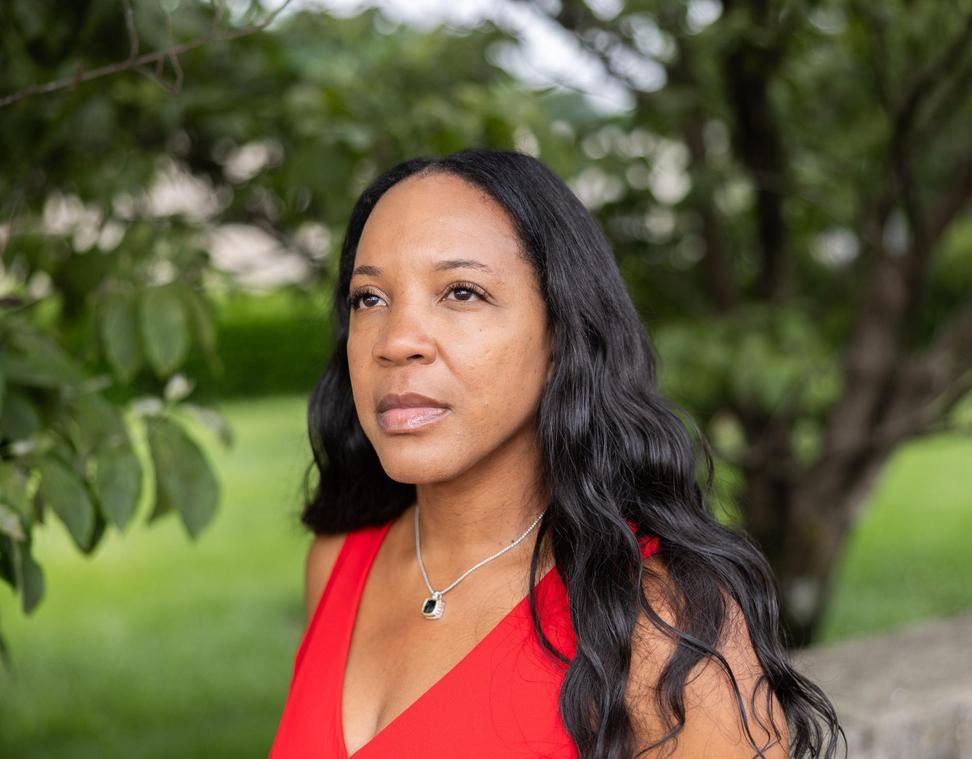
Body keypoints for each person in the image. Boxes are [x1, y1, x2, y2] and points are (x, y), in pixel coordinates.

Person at [267, 148, 844, 759]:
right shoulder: (337, 564)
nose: (397, 341)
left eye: (461, 292)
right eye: (369, 299)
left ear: (561, 331)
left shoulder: (661, 622)